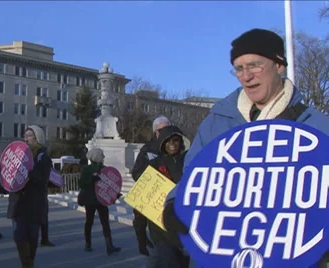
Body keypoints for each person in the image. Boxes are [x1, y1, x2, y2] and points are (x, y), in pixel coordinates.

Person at [162, 28, 329, 268]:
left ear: (280, 65)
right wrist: (174, 204)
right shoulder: (217, 121)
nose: (246, 76)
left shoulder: (316, 126)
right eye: (239, 68)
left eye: (254, 65)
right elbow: (194, 177)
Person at [7, 125, 52, 268]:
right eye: (25, 135)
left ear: (37, 137)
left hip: (34, 204)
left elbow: (43, 178)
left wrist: (28, 169)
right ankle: (27, 265)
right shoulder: (17, 155)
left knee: (32, 239)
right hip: (18, 203)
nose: (26, 138)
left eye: (30, 135)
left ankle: (28, 263)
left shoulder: (43, 157)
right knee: (19, 236)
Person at [146, 125, 190, 267]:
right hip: (161, 229)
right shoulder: (154, 164)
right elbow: (144, 199)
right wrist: (139, 230)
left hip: (184, 223)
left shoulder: (188, 162)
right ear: (162, 144)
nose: (172, 144)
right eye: (168, 141)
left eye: (175, 140)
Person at [131, 115, 170, 256]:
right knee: (140, 219)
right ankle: (142, 241)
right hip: (149, 192)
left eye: (168, 128)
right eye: (162, 130)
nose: (165, 132)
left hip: (166, 195)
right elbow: (136, 172)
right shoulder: (147, 150)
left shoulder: (175, 147)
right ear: (156, 132)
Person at [78, 147, 121, 255]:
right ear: (96, 156)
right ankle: (94, 244)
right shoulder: (86, 169)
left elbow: (109, 185)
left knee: (100, 222)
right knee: (92, 222)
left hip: (101, 200)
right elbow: (82, 184)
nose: (103, 157)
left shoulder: (105, 169)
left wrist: (114, 194)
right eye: (102, 155)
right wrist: (91, 180)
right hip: (92, 200)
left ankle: (107, 245)